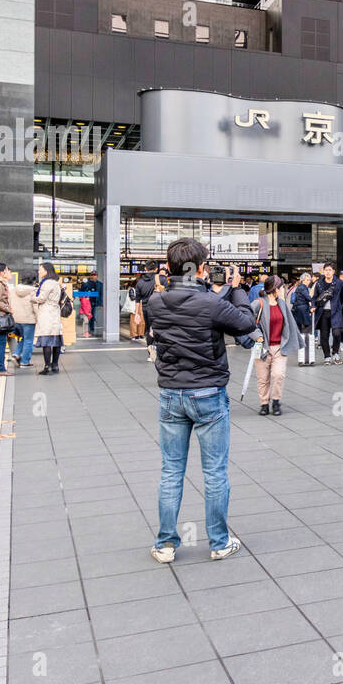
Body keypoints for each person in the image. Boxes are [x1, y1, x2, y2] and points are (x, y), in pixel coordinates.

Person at [141, 237, 256, 563]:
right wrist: (236, 289)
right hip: (208, 394)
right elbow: (245, 322)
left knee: (171, 471)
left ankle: (165, 544)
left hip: (170, 395)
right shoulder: (211, 302)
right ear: (202, 268)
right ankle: (219, 542)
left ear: (169, 268)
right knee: (215, 472)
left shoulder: (156, 303)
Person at [252, 275, 301, 416]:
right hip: (262, 347)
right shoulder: (258, 303)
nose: (283, 290)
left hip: (280, 346)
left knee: (278, 375)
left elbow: (289, 324)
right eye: (281, 287)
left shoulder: (282, 304)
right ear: (275, 289)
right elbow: (247, 321)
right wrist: (257, 336)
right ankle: (264, 404)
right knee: (263, 378)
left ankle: (276, 401)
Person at [31, 262, 65, 375]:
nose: (39, 271)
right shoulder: (55, 283)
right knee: (56, 340)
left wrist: (32, 297)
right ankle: (55, 365)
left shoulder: (47, 283)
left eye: (40, 269)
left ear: (46, 270)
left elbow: (41, 298)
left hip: (47, 313)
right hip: (54, 312)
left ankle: (47, 367)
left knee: (46, 340)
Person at [312, 263, 343, 364]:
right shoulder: (319, 283)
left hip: (336, 312)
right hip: (322, 313)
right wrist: (313, 306)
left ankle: (335, 353)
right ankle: (327, 356)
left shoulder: (339, 283)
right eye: (326, 270)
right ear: (323, 271)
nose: (327, 272)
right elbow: (314, 297)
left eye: (329, 270)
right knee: (324, 336)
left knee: (337, 333)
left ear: (333, 271)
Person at [11, 270, 38, 368]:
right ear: (34, 280)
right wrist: (39, 319)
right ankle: (25, 361)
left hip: (16, 319)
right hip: (28, 319)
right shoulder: (34, 291)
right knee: (29, 340)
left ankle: (16, 354)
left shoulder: (14, 289)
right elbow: (35, 306)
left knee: (25, 339)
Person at [291, 272, 315, 366]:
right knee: (306, 329)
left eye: (308, 280)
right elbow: (308, 297)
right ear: (301, 280)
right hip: (303, 310)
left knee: (302, 330)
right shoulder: (302, 287)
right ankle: (305, 351)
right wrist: (313, 301)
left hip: (299, 310)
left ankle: (303, 354)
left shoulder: (299, 287)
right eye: (305, 280)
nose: (307, 282)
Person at [78, 271, 103, 338]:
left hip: (96, 303)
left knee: (93, 316)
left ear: (97, 276)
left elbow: (101, 295)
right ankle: (87, 331)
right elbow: (81, 292)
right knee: (87, 317)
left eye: (95, 275)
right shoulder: (86, 283)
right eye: (92, 275)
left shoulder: (100, 284)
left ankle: (91, 329)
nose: (93, 276)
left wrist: (101, 304)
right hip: (87, 303)